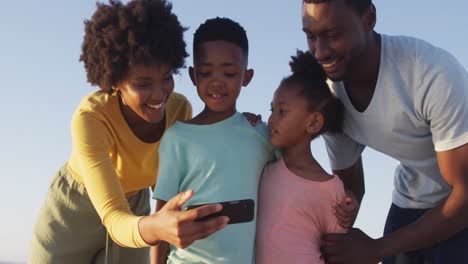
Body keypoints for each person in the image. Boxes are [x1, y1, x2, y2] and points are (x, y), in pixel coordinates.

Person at [29, 1, 228, 263]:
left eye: (167, 78)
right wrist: (155, 227)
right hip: (74, 209)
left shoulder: (180, 110)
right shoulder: (91, 117)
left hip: (136, 208)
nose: (159, 95)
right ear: (115, 83)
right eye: (143, 83)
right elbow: (112, 215)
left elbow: (167, 190)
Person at [300, 0, 468, 263]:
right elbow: (351, 187)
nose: (320, 52)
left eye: (333, 35)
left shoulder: (431, 73)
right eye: (311, 36)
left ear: (369, 19)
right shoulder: (330, 95)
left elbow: (465, 194)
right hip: (411, 200)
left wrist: (377, 248)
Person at [151, 17, 276, 264]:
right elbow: (161, 219)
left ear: (246, 76)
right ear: (193, 75)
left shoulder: (261, 134)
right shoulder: (177, 138)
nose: (216, 81)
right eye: (206, 72)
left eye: (229, 73)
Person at [255, 50, 347, 264]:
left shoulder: (331, 189)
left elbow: (338, 252)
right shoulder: (264, 165)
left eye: (282, 111)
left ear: (313, 122)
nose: (271, 119)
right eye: (272, 109)